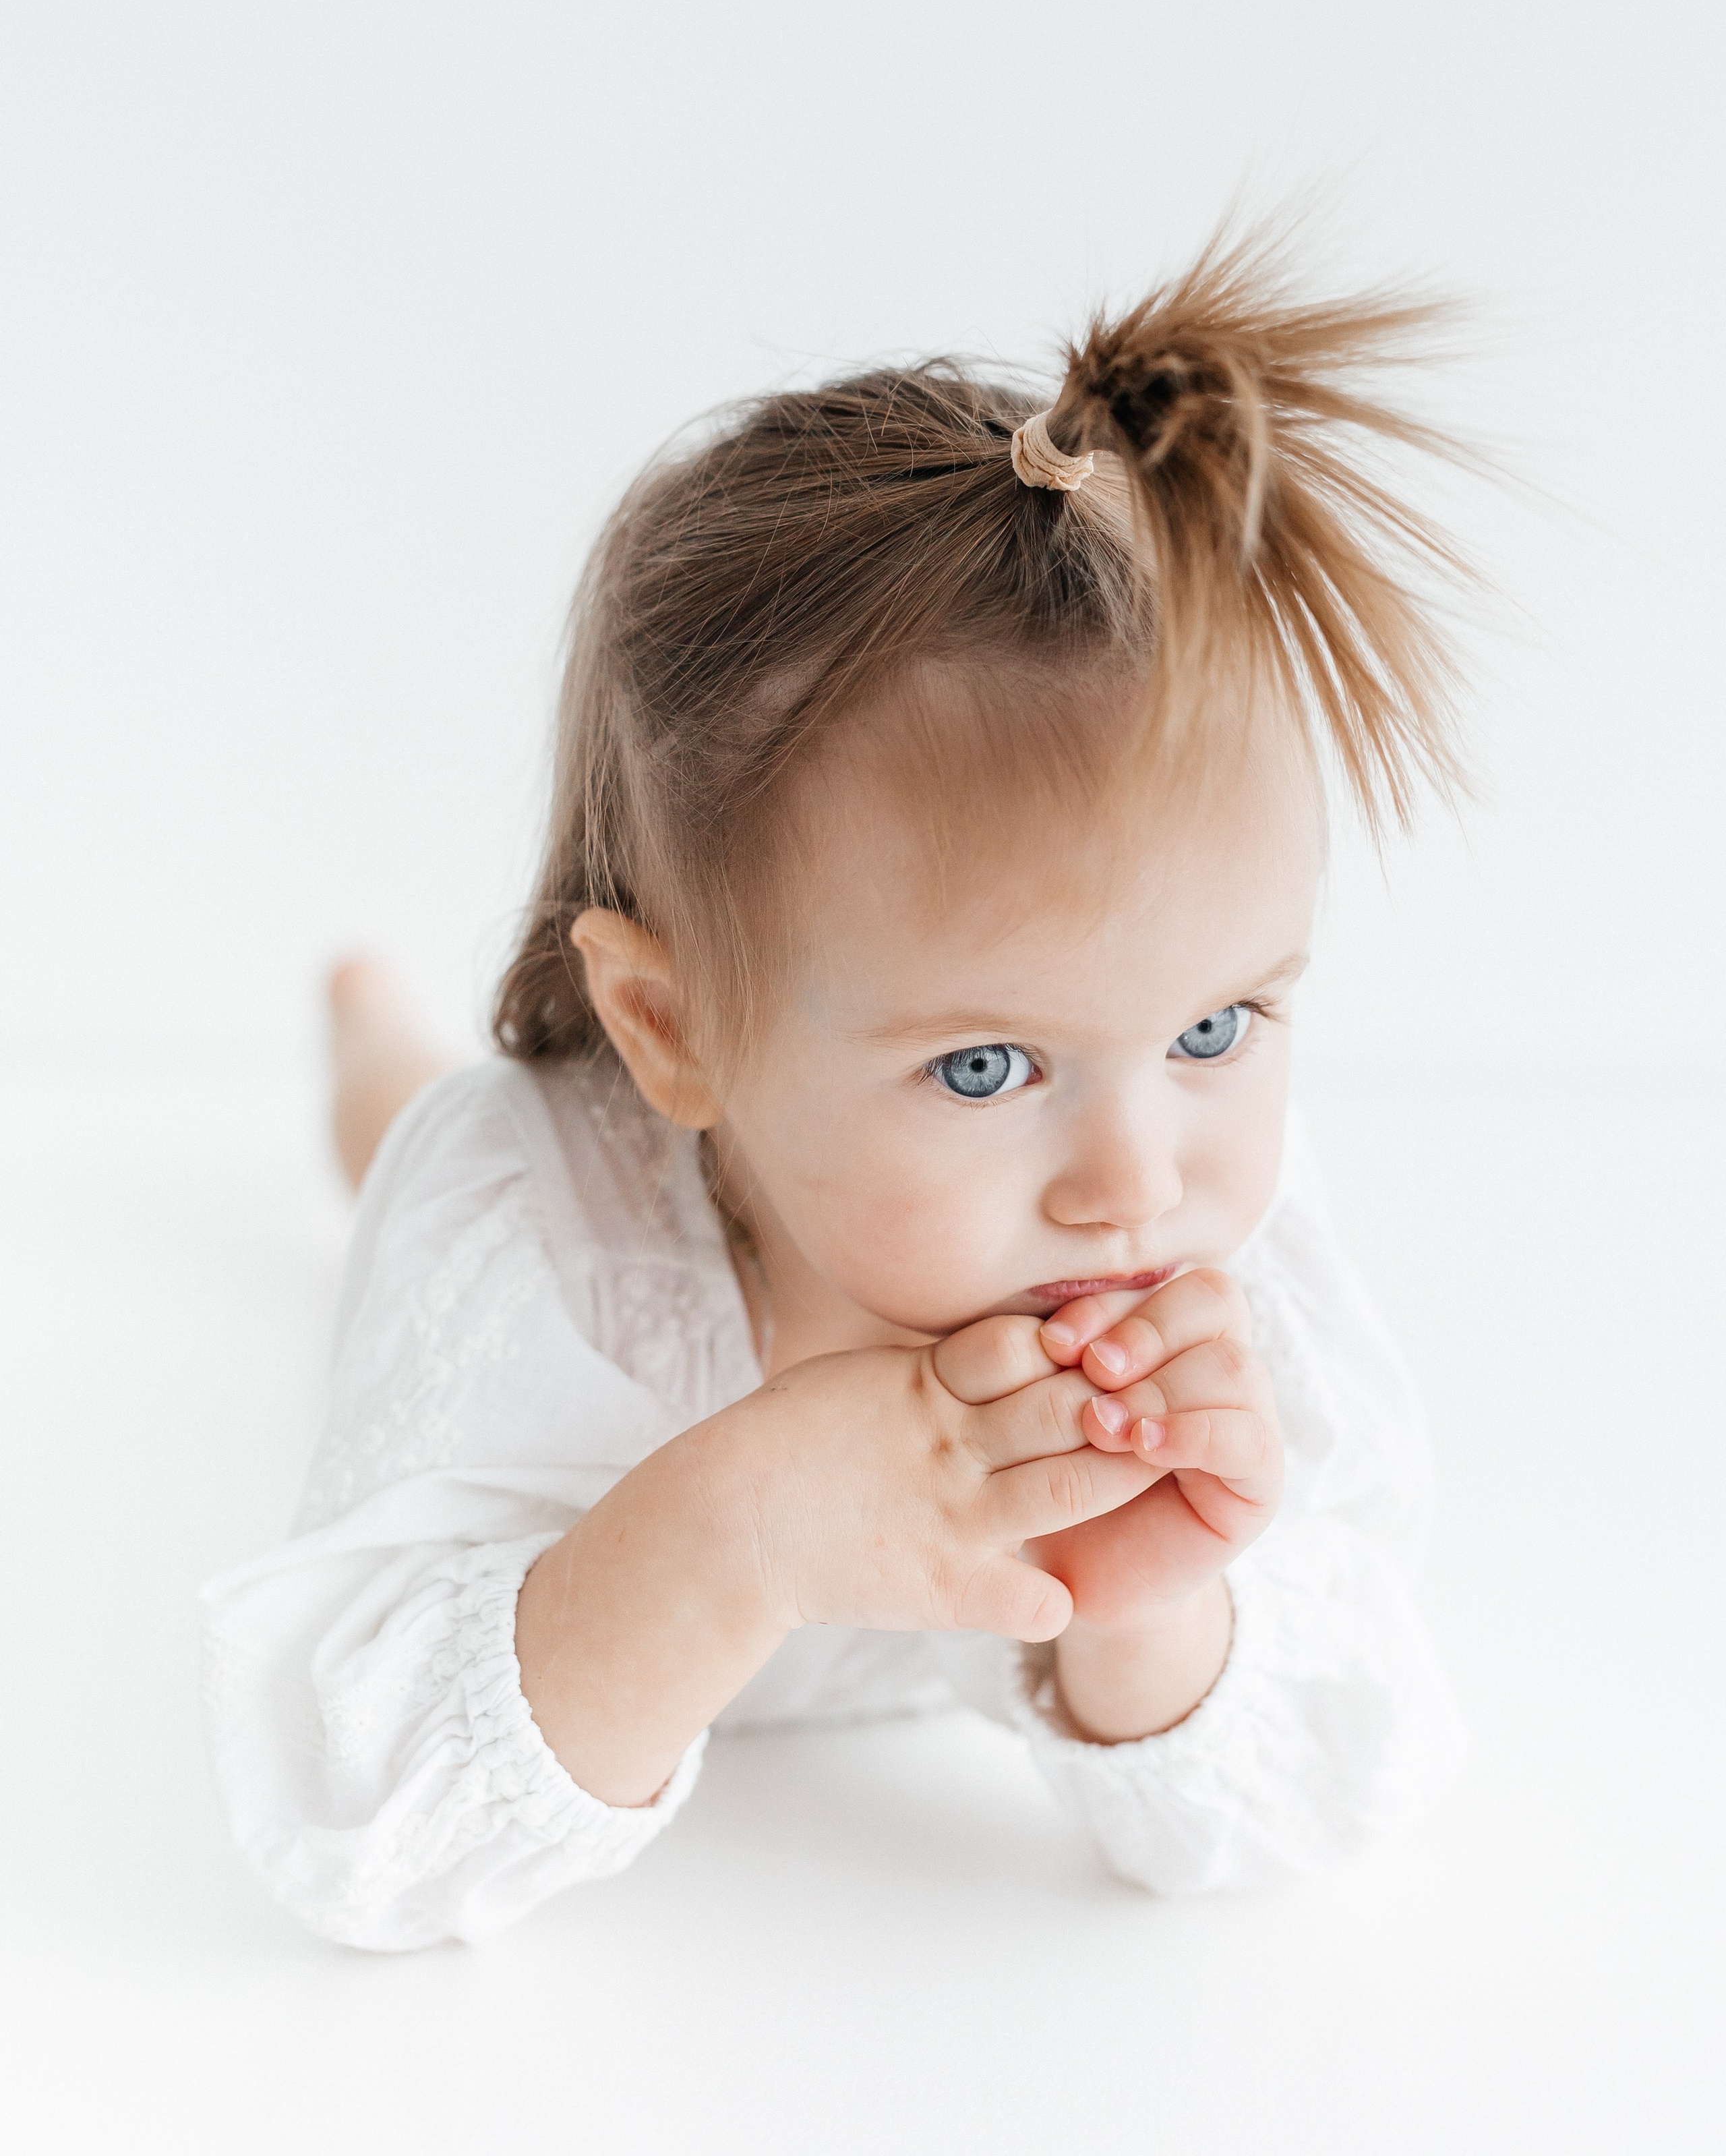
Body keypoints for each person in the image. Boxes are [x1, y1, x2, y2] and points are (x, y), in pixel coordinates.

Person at [202, 230, 1472, 1949]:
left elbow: (1317, 1789)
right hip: (533, 1186)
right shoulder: (540, 1232)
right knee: (408, 1125)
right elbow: (360, 1834)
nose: (1131, 1179)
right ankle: (366, 1037)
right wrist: (739, 1530)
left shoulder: (1204, 1247)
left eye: (1214, 1030)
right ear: (672, 1029)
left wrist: (1148, 1613)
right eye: (981, 1065)